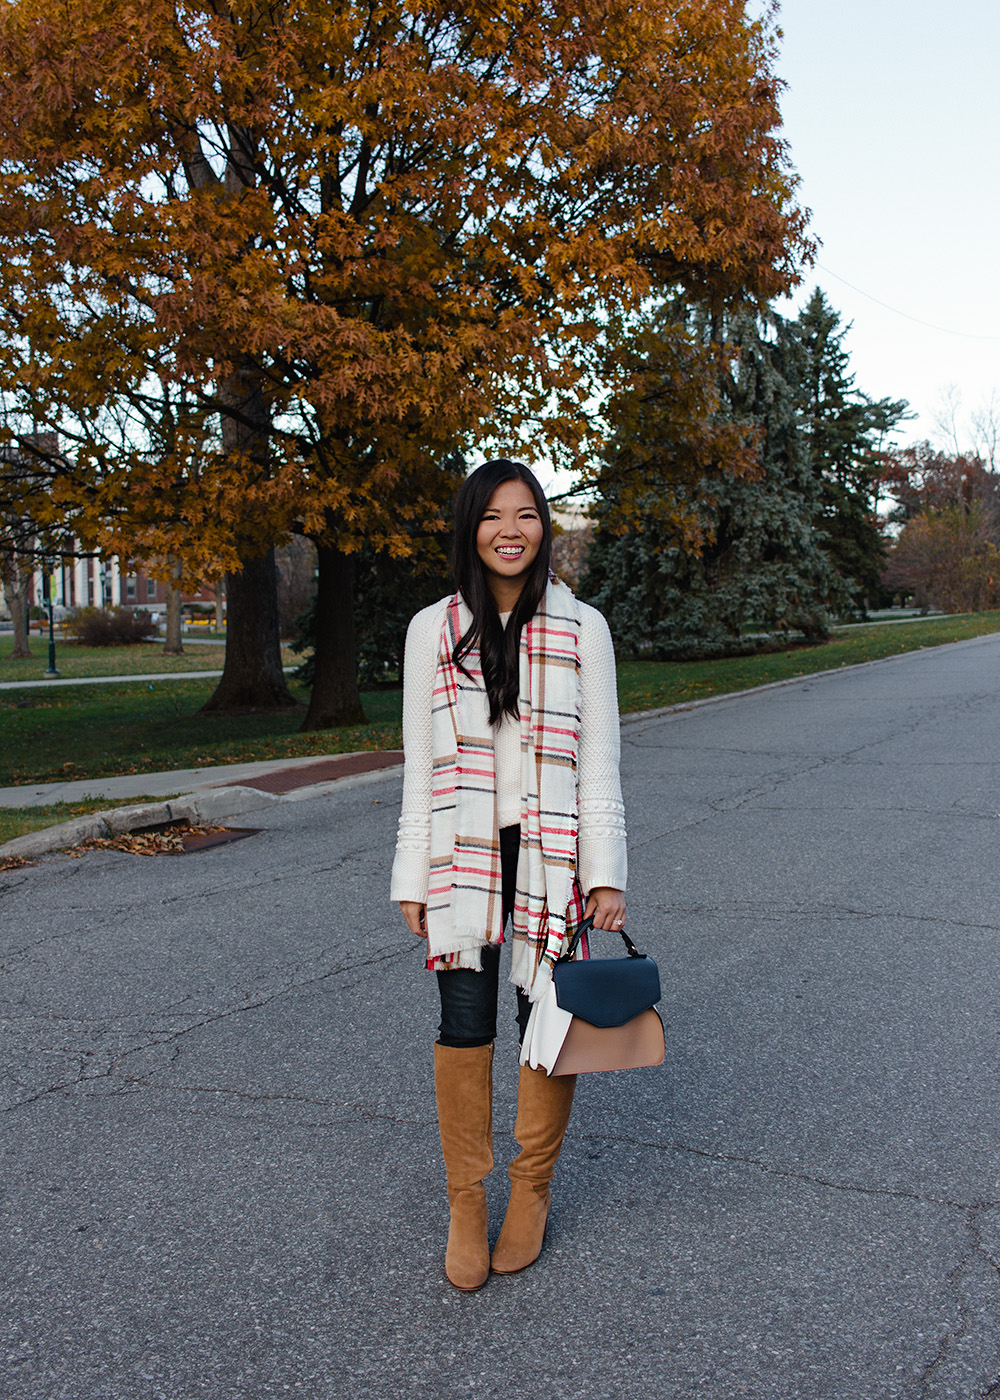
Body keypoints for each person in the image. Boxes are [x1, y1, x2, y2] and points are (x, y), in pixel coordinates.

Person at [391, 458, 627, 1291]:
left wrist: (605, 874)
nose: (511, 530)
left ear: (544, 526)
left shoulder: (581, 626)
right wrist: (412, 875)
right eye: (494, 516)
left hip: (549, 855)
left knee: (544, 1022)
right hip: (462, 855)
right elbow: (420, 766)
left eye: (526, 514)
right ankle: (466, 1201)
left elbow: (598, 762)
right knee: (463, 1022)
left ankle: (530, 1192)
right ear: (470, 528)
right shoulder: (432, 629)